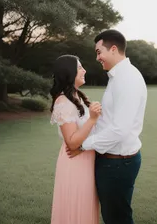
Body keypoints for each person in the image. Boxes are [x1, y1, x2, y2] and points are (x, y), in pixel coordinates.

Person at [67, 29, 148, 224]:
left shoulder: (127, 78)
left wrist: (83, 145)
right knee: (113, 216)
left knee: (117, 218)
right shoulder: (117, 77)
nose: (97, 58)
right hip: (113, 161)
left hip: (118, 163)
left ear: (113, 49)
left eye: (98, 52)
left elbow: (119, 129)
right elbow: (111, 121)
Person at [50, 54, 102, 224]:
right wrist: (93, 119)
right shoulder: (63, 101)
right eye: (80, 67)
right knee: (76, 209)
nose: (84, 70)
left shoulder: (77, 96)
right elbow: (72, 142)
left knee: (86, 208)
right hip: (75, 162)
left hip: (86, 159)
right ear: (69, 72)